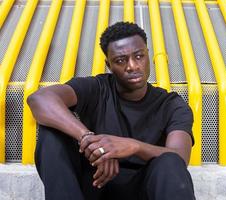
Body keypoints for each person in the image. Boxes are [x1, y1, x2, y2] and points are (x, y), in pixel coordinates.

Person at [28, 21, 196, 200]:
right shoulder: (97, 87)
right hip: (95, 184)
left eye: (139, 56)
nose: (132, 66)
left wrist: (133, 146)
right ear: (109, 65)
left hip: (144, 191)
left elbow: (180, 157)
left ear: (148, 55)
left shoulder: (171, 104)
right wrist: (90, 141)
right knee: (51, 133)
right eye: (121, 60)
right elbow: (39, 99)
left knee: (170, 161)